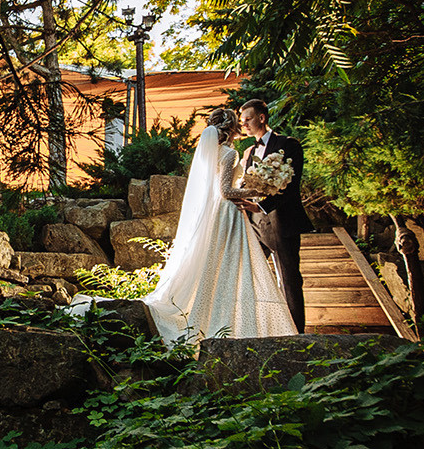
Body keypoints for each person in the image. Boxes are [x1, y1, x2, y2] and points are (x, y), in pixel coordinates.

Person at [72, 107, 296, 345]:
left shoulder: (214, 152)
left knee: (220, 267)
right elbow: (226, 191)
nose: (240, 127)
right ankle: (231, 321)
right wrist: (255, 191)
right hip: (228, 213)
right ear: (230, 128)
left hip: (217, 213)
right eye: (237, 124)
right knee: (231, 267)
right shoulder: (229, 153)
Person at [231, 98, 307, 331]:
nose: (243, 124)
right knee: (249, 273)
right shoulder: (248, 151)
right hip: (255, 224)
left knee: (289, 278)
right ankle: (260, 325)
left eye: (247, 119)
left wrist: (262, 206)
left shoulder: (288, 145)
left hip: (282, 221)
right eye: (241, 121)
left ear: (261, 118)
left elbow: (292, 187)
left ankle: (296, 332)